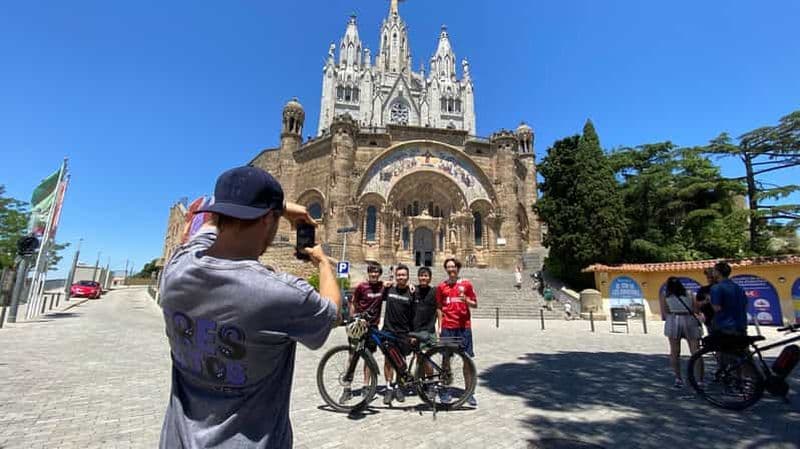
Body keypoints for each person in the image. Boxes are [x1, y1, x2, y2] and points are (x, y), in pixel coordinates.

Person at [159, 166, 341, 449]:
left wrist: (277, 208)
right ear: (269, 220)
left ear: (220, 215)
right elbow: (330, 312)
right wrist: (323, 263)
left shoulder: (176, 268)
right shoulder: (279, 295)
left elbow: (204, 213)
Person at [436, 257, 478, 406]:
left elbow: (475, 304)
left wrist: (466, 299)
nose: (451, 269)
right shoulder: (442, 287)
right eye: (448, 267)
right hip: (448, 327)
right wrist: (440, 326)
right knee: (446, 360)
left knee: (467, 360)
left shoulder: (466, 284)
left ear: (458, 268)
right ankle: (445, 389)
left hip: (463, 328)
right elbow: (439, 307)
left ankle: (469, 392)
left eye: (453, 267)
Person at [659, 277, 703, 388]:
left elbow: (665, 312)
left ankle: (678, 379)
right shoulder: (689, 293)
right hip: (689, 319)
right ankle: (699, 380)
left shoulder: (665, 295)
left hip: (673, 320)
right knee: (695, 352)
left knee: (674, 351)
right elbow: (696, 309)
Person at [381, 264, 414, 405]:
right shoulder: (389, 289)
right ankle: (389, 387)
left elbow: (415, 314)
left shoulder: (412, 292)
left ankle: (400, 387)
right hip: (388, 330)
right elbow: (374, 290)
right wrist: (383, 284)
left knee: (402, 361)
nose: (401, 277)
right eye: (399, 275)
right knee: (388, 360)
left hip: (403, 332)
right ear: (395, 276)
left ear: (407, 277)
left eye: (403, 275)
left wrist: (412, 334)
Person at [709, 262, 748, 337]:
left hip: (724, 326)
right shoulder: (738, 288)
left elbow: (716, 308)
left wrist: (709, 300)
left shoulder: (716, 288)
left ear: (718, 272)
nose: (712, 272)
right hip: (741, 325)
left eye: (713, 270)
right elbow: (745, 305)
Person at [695, 268, 717, 332]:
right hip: (709, 320)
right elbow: (697, 304)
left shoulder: (723, 288)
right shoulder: (703, 289)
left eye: (712, 277)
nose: (710, 279)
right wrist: (705, 301)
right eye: (708, 277)